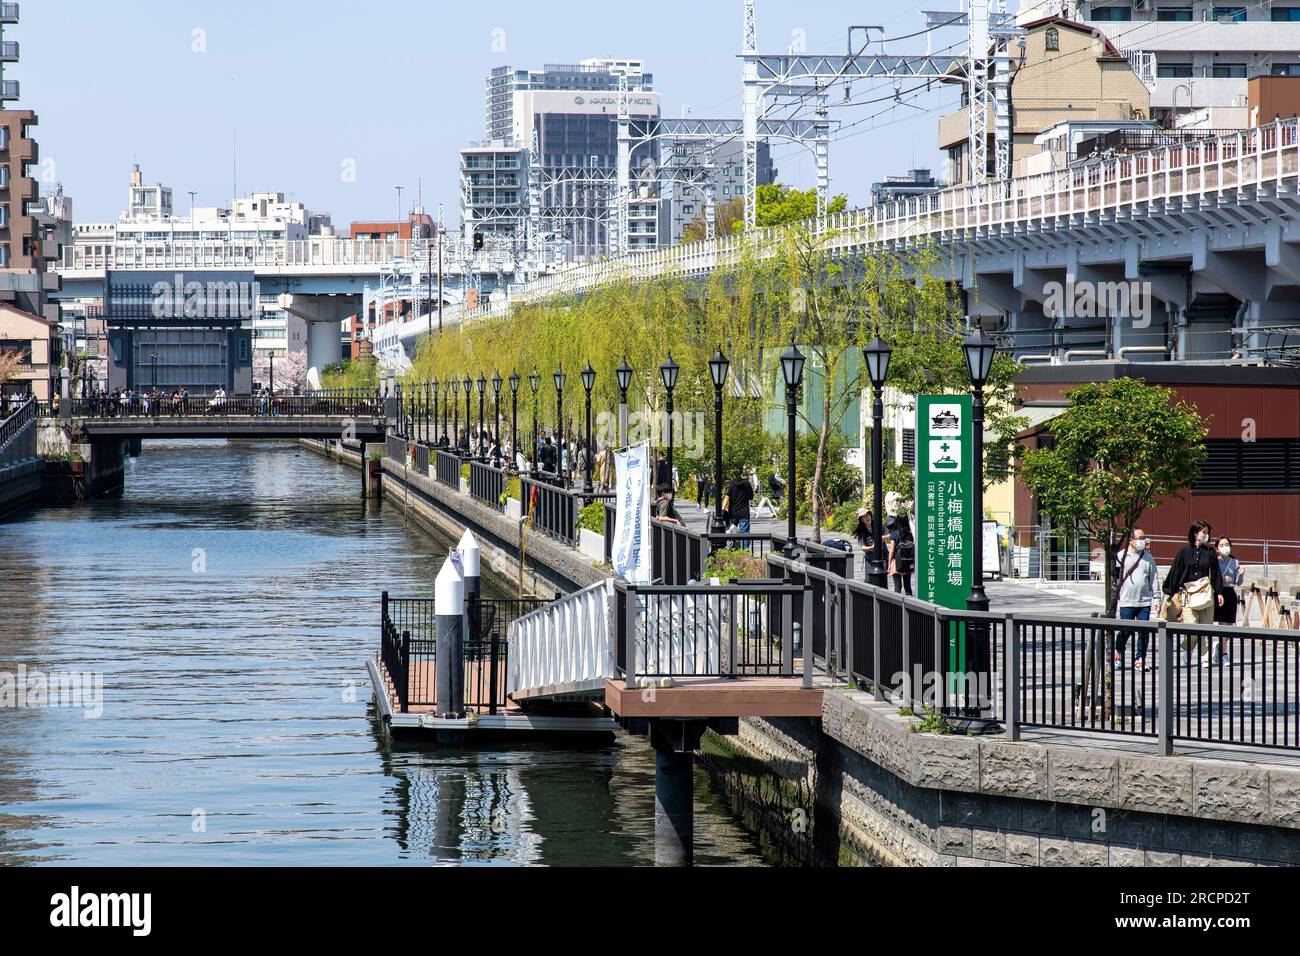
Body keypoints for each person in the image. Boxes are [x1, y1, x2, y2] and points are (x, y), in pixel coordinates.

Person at [1162, 520, 1224, 664]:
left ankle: (1205, 657)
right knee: (1192, 626)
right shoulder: (1184, 551)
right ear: (1195, 533)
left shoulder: (1210, 553)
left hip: (1206, 594)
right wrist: (1171, 592)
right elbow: (1176, 571)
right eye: (1204, 532)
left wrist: (1219, 592)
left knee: (1207, 627)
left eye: (1208, 533)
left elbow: (1215, 573)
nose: (1206, 535)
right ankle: (1187, 648)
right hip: (1187, 594)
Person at [1114, 529, 1161, 669]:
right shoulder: (1121, 556)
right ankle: (1118, 652)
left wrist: (1157, 599)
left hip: (1144, 601)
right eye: (1140, 538)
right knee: (1125, 630)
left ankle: (1140, 659)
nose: (1143, 540)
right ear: (1131, 540)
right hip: (1127, 600)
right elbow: (1115, 578)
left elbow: (1154, 579)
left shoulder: (1148, 558)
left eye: (1144, 537)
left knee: (1143, 632)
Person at [1214, 535, 1243, 663]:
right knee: (1222, 625)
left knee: (1230, 626)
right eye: (1221, 545)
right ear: (1216, 548)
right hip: (1220, 593)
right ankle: (1224, 654)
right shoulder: (1214, 561)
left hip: (1230, 593)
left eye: (1227, 545)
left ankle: (1219, 647)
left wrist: (1241, 574)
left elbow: (1238, 582)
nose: (1225, 547)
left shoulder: (1234, 561)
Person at [887, 514, 915, 595]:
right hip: (908, 562)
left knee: (897, 587)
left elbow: (892, 551)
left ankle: (897, 606)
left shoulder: (894, 534)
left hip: (897, 562)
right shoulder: (910, 534)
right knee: (908, 586)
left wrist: (889, 564)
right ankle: (910, 605)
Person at [851, 507, 877, 581]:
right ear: (861, 520)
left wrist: (882, 538)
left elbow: (889, 535)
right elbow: (863, 547)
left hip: (882, 557)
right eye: (864, 517)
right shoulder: (861, 531)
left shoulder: (878, 525)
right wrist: (871, 547)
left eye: (868, 515)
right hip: (870, 558)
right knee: (868, 580)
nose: (867, 518)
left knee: (881, 579)